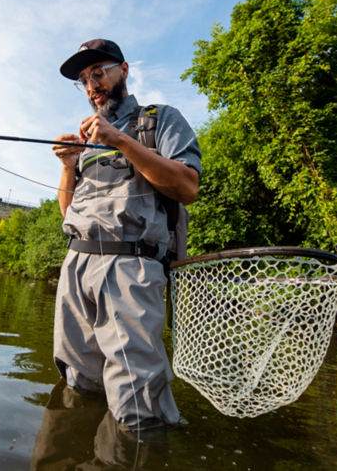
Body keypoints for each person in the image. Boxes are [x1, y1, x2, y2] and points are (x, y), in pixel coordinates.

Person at [51, 39, 202, 430]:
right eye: (83, 80)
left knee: (138, 401)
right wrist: (69, 165)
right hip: (76, 266)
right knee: (78, 384)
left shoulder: (159, 119)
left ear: (124, 69)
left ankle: (141, 450)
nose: (91, 85)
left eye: (98, 72)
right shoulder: (87, 138)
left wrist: (119, 140)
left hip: (129, 265)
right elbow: (68, 212)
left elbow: (187, 187)